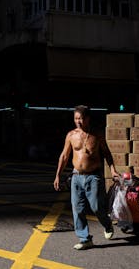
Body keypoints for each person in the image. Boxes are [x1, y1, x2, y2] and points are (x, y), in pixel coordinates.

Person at [53, 105, 119, 250]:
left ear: (87, 119)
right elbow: (64, 156)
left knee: (96, 207)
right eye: (76, 119)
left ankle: (107, 224)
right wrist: (58, 175)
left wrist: (113, 170)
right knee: (78, 209)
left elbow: (107, 154)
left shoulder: (97, 135)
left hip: (93, 176)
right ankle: (85, 239)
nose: (78, 122)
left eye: (81, 119)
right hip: (76, 177)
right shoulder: (71, 135)